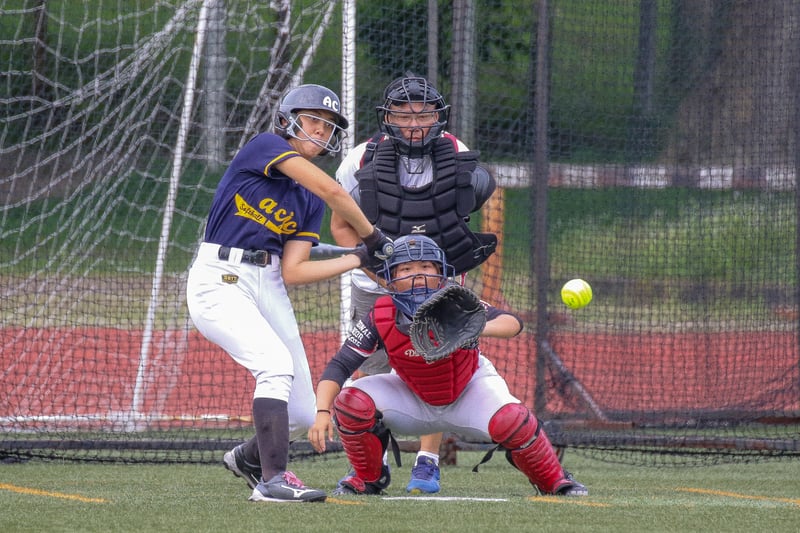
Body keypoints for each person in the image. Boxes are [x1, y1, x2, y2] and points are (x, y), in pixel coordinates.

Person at [186, 83, 392, 503]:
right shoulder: (265, 146)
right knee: (274, 365)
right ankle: (272, 481)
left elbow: (294, 270)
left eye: (329, 124)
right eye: (314, 119)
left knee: (300, 412)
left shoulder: (307, 199)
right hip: (220, 277)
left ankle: (249, 459)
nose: (321, 129)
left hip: (270, 281)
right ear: (288, 120)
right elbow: (334, 191)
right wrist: (374, 237)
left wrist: (357, 257)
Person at [308, 235, 588, 498]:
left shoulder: (458, 300)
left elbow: (513, 323)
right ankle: (367, 478)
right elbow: (340, 365)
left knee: (513, 420)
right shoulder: (381, 313)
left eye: (426, 266)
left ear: (441, 272)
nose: (418, 275)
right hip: (412, 396)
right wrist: (322, 412)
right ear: (391, 279)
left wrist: (474, 328)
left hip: (469, 391)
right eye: (406, 269)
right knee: (350, 401)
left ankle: (555, 480)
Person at [330, 74, 497, 493]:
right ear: (388, 118)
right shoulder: (361, 159)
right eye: (404, 115)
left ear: (437, 116)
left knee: (437, 365)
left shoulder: (455, 152)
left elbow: (461, 218)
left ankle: (427, 461)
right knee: (367, 370)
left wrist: (430, 279)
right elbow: (339, 225)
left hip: (440, 283)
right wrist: (383, 277)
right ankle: (372, 464)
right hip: (376, 283)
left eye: (423, 114)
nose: (414, 123)